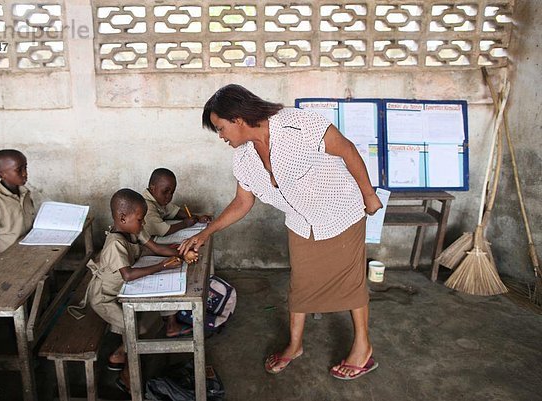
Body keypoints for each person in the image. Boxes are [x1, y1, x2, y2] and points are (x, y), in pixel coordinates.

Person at [179, 84, 383, 380]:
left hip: (340, 211)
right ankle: (295, 345)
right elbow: (242, 201)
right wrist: (205, 233)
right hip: (302, 221)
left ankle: (362, 349)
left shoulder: (299, 125)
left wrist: (369, 195)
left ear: (237, 119)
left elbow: (347, 150)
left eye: (221, 128)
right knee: (301, 284)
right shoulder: (244, 157)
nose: (221, 137)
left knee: (350, 282)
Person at [87, 188, 198, 392]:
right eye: (140, 219)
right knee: (135, 330)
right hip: (105, 298)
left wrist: (181, 254)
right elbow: (128, 274)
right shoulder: (115, 243)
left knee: (147, 320)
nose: (143, 223)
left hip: (123, 291)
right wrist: (161, 267)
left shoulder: (134, 229)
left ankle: (119, 354)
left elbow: (156, 249)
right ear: (122, 217)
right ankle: (127, 375)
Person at [0, 149, 35, 259]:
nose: (25, 173)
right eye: (19, 170)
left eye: (25, 167)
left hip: (28, 249)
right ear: (1, 174)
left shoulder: (25, 193)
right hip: (8, 255)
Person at [142, 168, 211, 237]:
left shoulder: (159, 200)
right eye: (165, 192)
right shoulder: (146, 206)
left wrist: (197, 218)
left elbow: (175, 212)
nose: (169, 196)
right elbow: (162, 231)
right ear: (152, 188)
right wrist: (185, 224)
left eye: (172, 193)